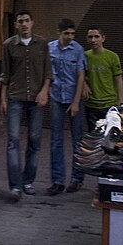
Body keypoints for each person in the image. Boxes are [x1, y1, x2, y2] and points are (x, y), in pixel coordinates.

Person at [0, 9, 50, 199]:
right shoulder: (9, 45)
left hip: (36, 98)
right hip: (15, 97)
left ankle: (28, 181)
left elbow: (48, 71)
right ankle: (15, 186)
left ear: (32, 23)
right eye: (20, 21)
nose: (24, 24)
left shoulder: (42, 44)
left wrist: (44, 91)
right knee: (13, 140)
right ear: (16, 25)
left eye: (27, 20)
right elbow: (5, 73)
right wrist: (3, 99)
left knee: (34, 141)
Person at [47, 18, 87, 195]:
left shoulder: (78, 49)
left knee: (77, 140)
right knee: (56, 140)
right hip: (56, 96)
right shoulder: (50, 48)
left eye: (72, 33)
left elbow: (81, 76)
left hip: (73, 97)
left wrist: (76, 101)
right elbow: (46, 72)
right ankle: (57, 180)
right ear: (59, 32)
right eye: (66, 33)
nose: (70, 37)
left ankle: (77, 179)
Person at [83, 27, 123, 131]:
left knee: (110, 134)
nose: (93, 40)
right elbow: (79, 74)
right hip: (91, 104)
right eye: (90, 37)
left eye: (96, 37)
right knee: (94, 134)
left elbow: (118, 79)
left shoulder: (112, 56)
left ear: (103, 38)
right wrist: (84, 84)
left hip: (109, 103)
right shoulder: (84, 56)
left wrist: (120, 101)